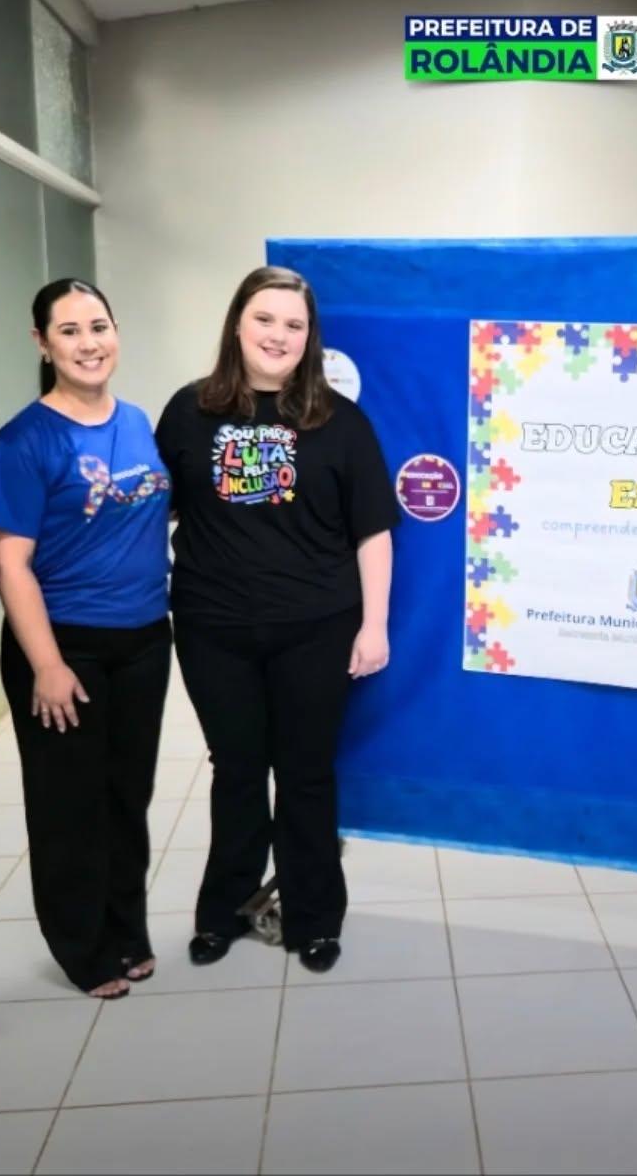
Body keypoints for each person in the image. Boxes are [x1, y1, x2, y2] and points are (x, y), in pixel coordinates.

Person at [154, 265, 397, 973]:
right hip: (213, 627)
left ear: (309, 338)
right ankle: (225, 910)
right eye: (265, 319)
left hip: (317, 627)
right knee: (235, 771)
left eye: (294, 325)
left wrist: (374, 626)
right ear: (238, 323)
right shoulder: (188, 411)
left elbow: (373, 532)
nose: (278, 335)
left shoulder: (341, 422)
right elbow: (152, 511)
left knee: (305, 773)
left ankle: (313, 916)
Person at [0, 279, 173, 1000]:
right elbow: (11, 563)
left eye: (98, 326)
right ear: (42, 343)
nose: (89, 343)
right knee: (70, 805)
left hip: (145, 638)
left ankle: (126, 928)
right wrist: (48, 664)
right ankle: (83, 947)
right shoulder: (24, 441)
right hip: (64, 645)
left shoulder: (138, 421)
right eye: (69, 331)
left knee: (128, 796)